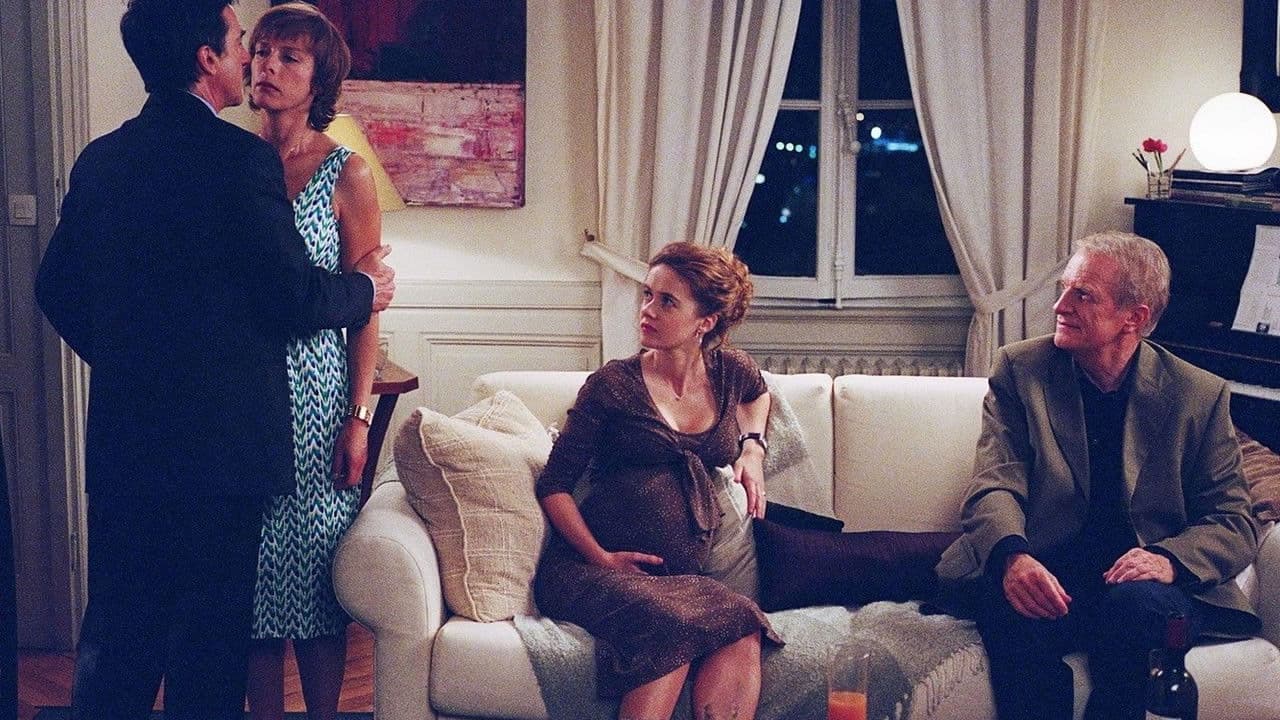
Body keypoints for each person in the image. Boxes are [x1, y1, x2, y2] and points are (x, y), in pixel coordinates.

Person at [33, 0, 395, 717]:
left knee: (119, 635)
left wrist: (133, 361)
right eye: (240, 42)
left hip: (127, 441)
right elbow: (289, 295)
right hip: (221, 451)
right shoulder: (240, 159)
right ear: (208, 59)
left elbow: (55, 288)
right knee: (208, 646)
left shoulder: (103, 158)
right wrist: (364, 289)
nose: (249, 58)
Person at [935, 231, 1260, 720]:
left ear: (1135, 318)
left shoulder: (1197, 394)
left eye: (1083, 295)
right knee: (1014, 611)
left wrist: (1169, 560)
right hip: (1045, 567)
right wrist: (1012, 556)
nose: (1060, 306)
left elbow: (1234, 520)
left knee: (1137, 611)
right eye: (1063, 289)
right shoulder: (1021, 370)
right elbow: (995, 482)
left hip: (1140, 586)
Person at [533, 242, 779, 720]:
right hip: (588, 569)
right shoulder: (612, 384)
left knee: (743, 621)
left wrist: (753, 448)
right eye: (647, 295)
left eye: (667, 301)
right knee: (673, 625)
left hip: (677, 581)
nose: (647, 310)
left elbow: (759, 395)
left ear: (705, 321)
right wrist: (601, 558)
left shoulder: (730, 373)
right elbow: (554, 485)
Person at [242, 5, 379, 719]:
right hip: (243, 397)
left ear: (319, 77)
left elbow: (368, 303)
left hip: (320, 400)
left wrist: (358, 418)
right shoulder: (233, 163)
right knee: (253, 586)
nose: (266, 65)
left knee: (320, 583)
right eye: (261, 50)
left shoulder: (346, 171)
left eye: (288, 56)